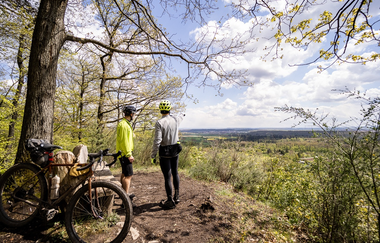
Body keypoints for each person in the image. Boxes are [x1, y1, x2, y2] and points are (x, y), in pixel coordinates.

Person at [151, 100, 185, 209]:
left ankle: (170, 200)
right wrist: (183, 113)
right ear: (169, 109)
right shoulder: (175, 120)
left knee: (167, 177)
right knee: (175, 173)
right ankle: (177, 196)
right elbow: (181, 116)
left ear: (160, 110)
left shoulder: (159, 123)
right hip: (175, 150)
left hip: (164, 151)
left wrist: (153, 155)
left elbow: (157, 140)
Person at [117, 105, 136, 201]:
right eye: (134, 114)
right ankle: (126, 200)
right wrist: (129, 154)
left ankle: (123, 194)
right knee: (128, 175)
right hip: (125, 154)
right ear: (131, 114)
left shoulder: (124, 124)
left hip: (123, 153)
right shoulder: (124, 125)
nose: (134, 116)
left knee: (124, 174)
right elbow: (124, 141)